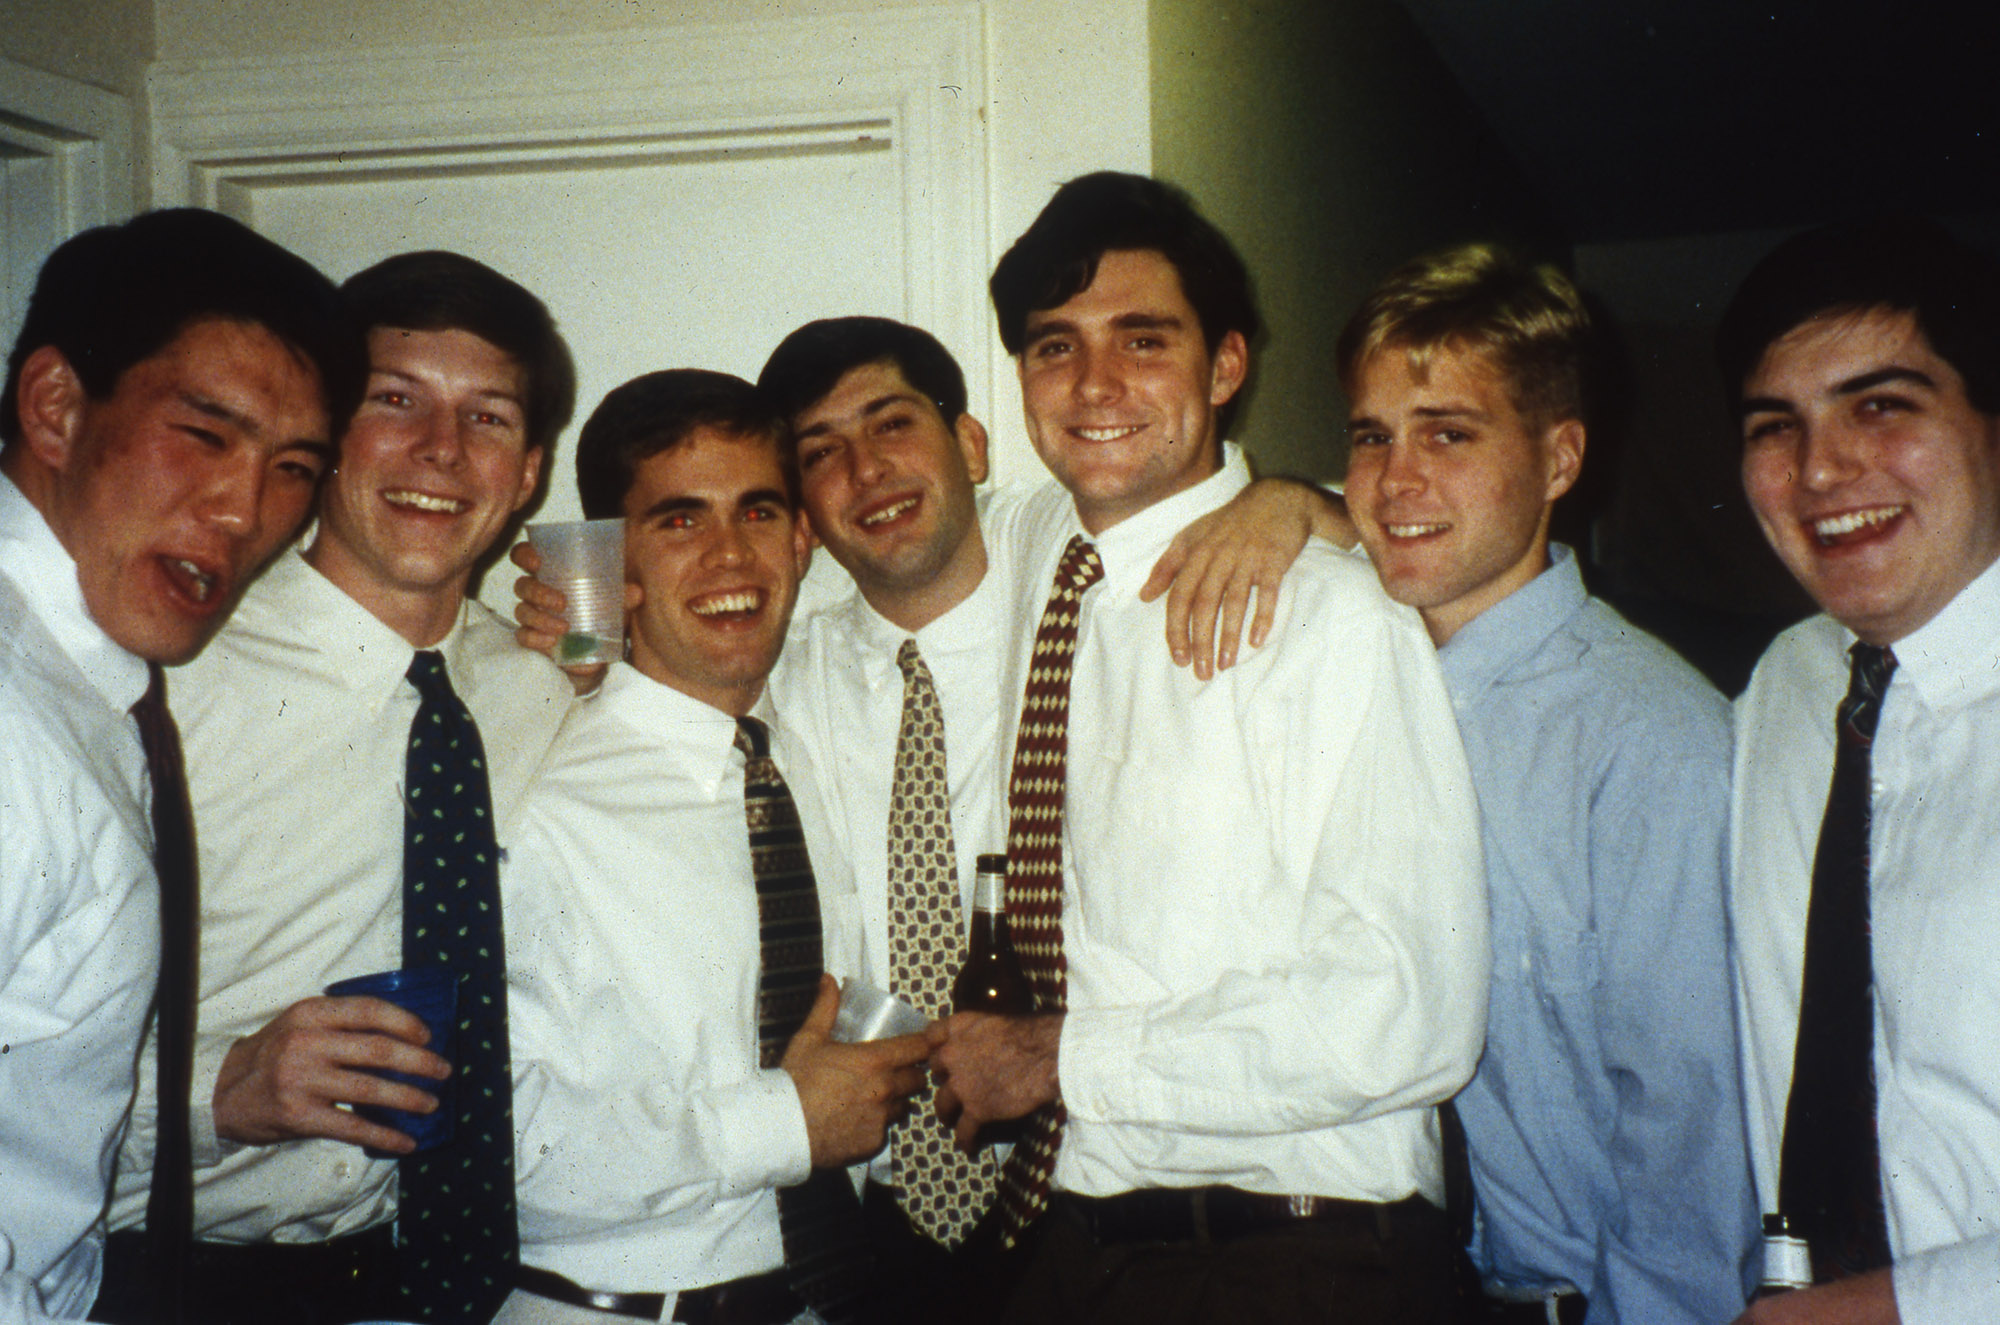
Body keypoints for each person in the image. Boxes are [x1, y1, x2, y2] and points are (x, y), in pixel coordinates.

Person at [928, 171, 1489, 1324]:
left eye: (1142, 340)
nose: (1093, 385)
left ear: (1226, 366)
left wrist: (1057, 1059)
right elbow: (881, 555)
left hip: (1289, 1255)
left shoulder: (1327, 616)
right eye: (1052, 346)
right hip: (1078, 1239)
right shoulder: (1046, 558)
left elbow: (1403, 1007)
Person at [96, 250, 576, 1325]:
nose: (441, 449)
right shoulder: (167, 681)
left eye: (487, 417)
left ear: (528, 474)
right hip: (161, 1279)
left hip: (444, 1281)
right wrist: (217, 1091)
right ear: (324, 434)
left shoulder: (542, 693)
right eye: (394, 400)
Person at [1339, 242, 1758, 1323]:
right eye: (1372, 436)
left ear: (1559, 458)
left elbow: (1691, 1125)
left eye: (1447, 433)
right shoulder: (1343, 690)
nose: (1395, 480)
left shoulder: (1650, 736)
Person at [497, 369, 930, 1325]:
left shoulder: (816, 739)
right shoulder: (540, 806)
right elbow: (486, 1155)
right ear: (611, 566)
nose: (730, 554)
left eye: (758, 512)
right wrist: (785, 1121)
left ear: (802, 538)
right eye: (681, 520)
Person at [0, 208, 362, 1324]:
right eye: (204, 435)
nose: (244, 510)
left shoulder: (81, 669)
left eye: (292, 468)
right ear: (56, 406)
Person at [1722, 217, 2000, 1325]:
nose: (1820, 469)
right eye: (1773, 426)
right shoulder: (1785, 687)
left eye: (1880, 405)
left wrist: (1894, 1307)